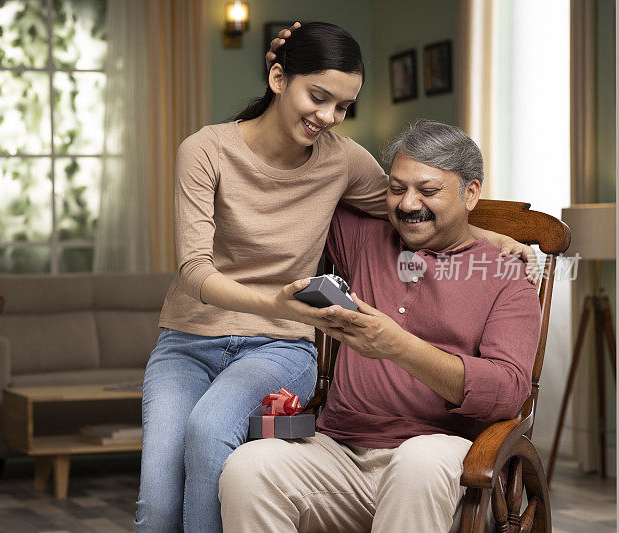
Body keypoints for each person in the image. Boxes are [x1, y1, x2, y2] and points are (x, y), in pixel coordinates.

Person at [135, 22, 533, 533]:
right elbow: (200, 265)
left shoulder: (499, 270)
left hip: (303, 363)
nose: (328, 117)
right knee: (177, 495)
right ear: (278, 77)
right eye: (318, 96)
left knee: (212, 430)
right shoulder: (355, 229)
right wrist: (281, 304)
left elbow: (505, 388)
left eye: (341, 106)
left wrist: (488, 235)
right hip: (216, 354)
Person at [218, 120, 541, 532]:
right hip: (339, 450)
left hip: (440, 460)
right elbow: (306, 178)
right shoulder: (365, 238)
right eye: (396, 188)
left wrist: (397, 345)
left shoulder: (507, 278)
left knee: (418, 462)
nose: (407, 205)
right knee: (250, 467)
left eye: (427, 191)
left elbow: (507, 390)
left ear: (470, 193)